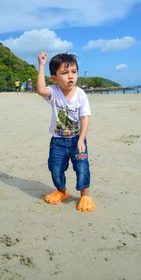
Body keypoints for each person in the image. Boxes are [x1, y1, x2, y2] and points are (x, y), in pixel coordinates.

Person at [36, 52, 96, 212]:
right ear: (54, 78)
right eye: (64, 73)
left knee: (82, 167)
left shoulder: (81, 94)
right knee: (55, 168)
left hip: (77, 139)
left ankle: (85, 195)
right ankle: (62, 191)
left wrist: (81, 140)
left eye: (74, 72)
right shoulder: (54, 91)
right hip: (58, 141)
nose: (70, 76)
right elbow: (41, 90)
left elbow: (85, 118)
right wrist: (41, 65)